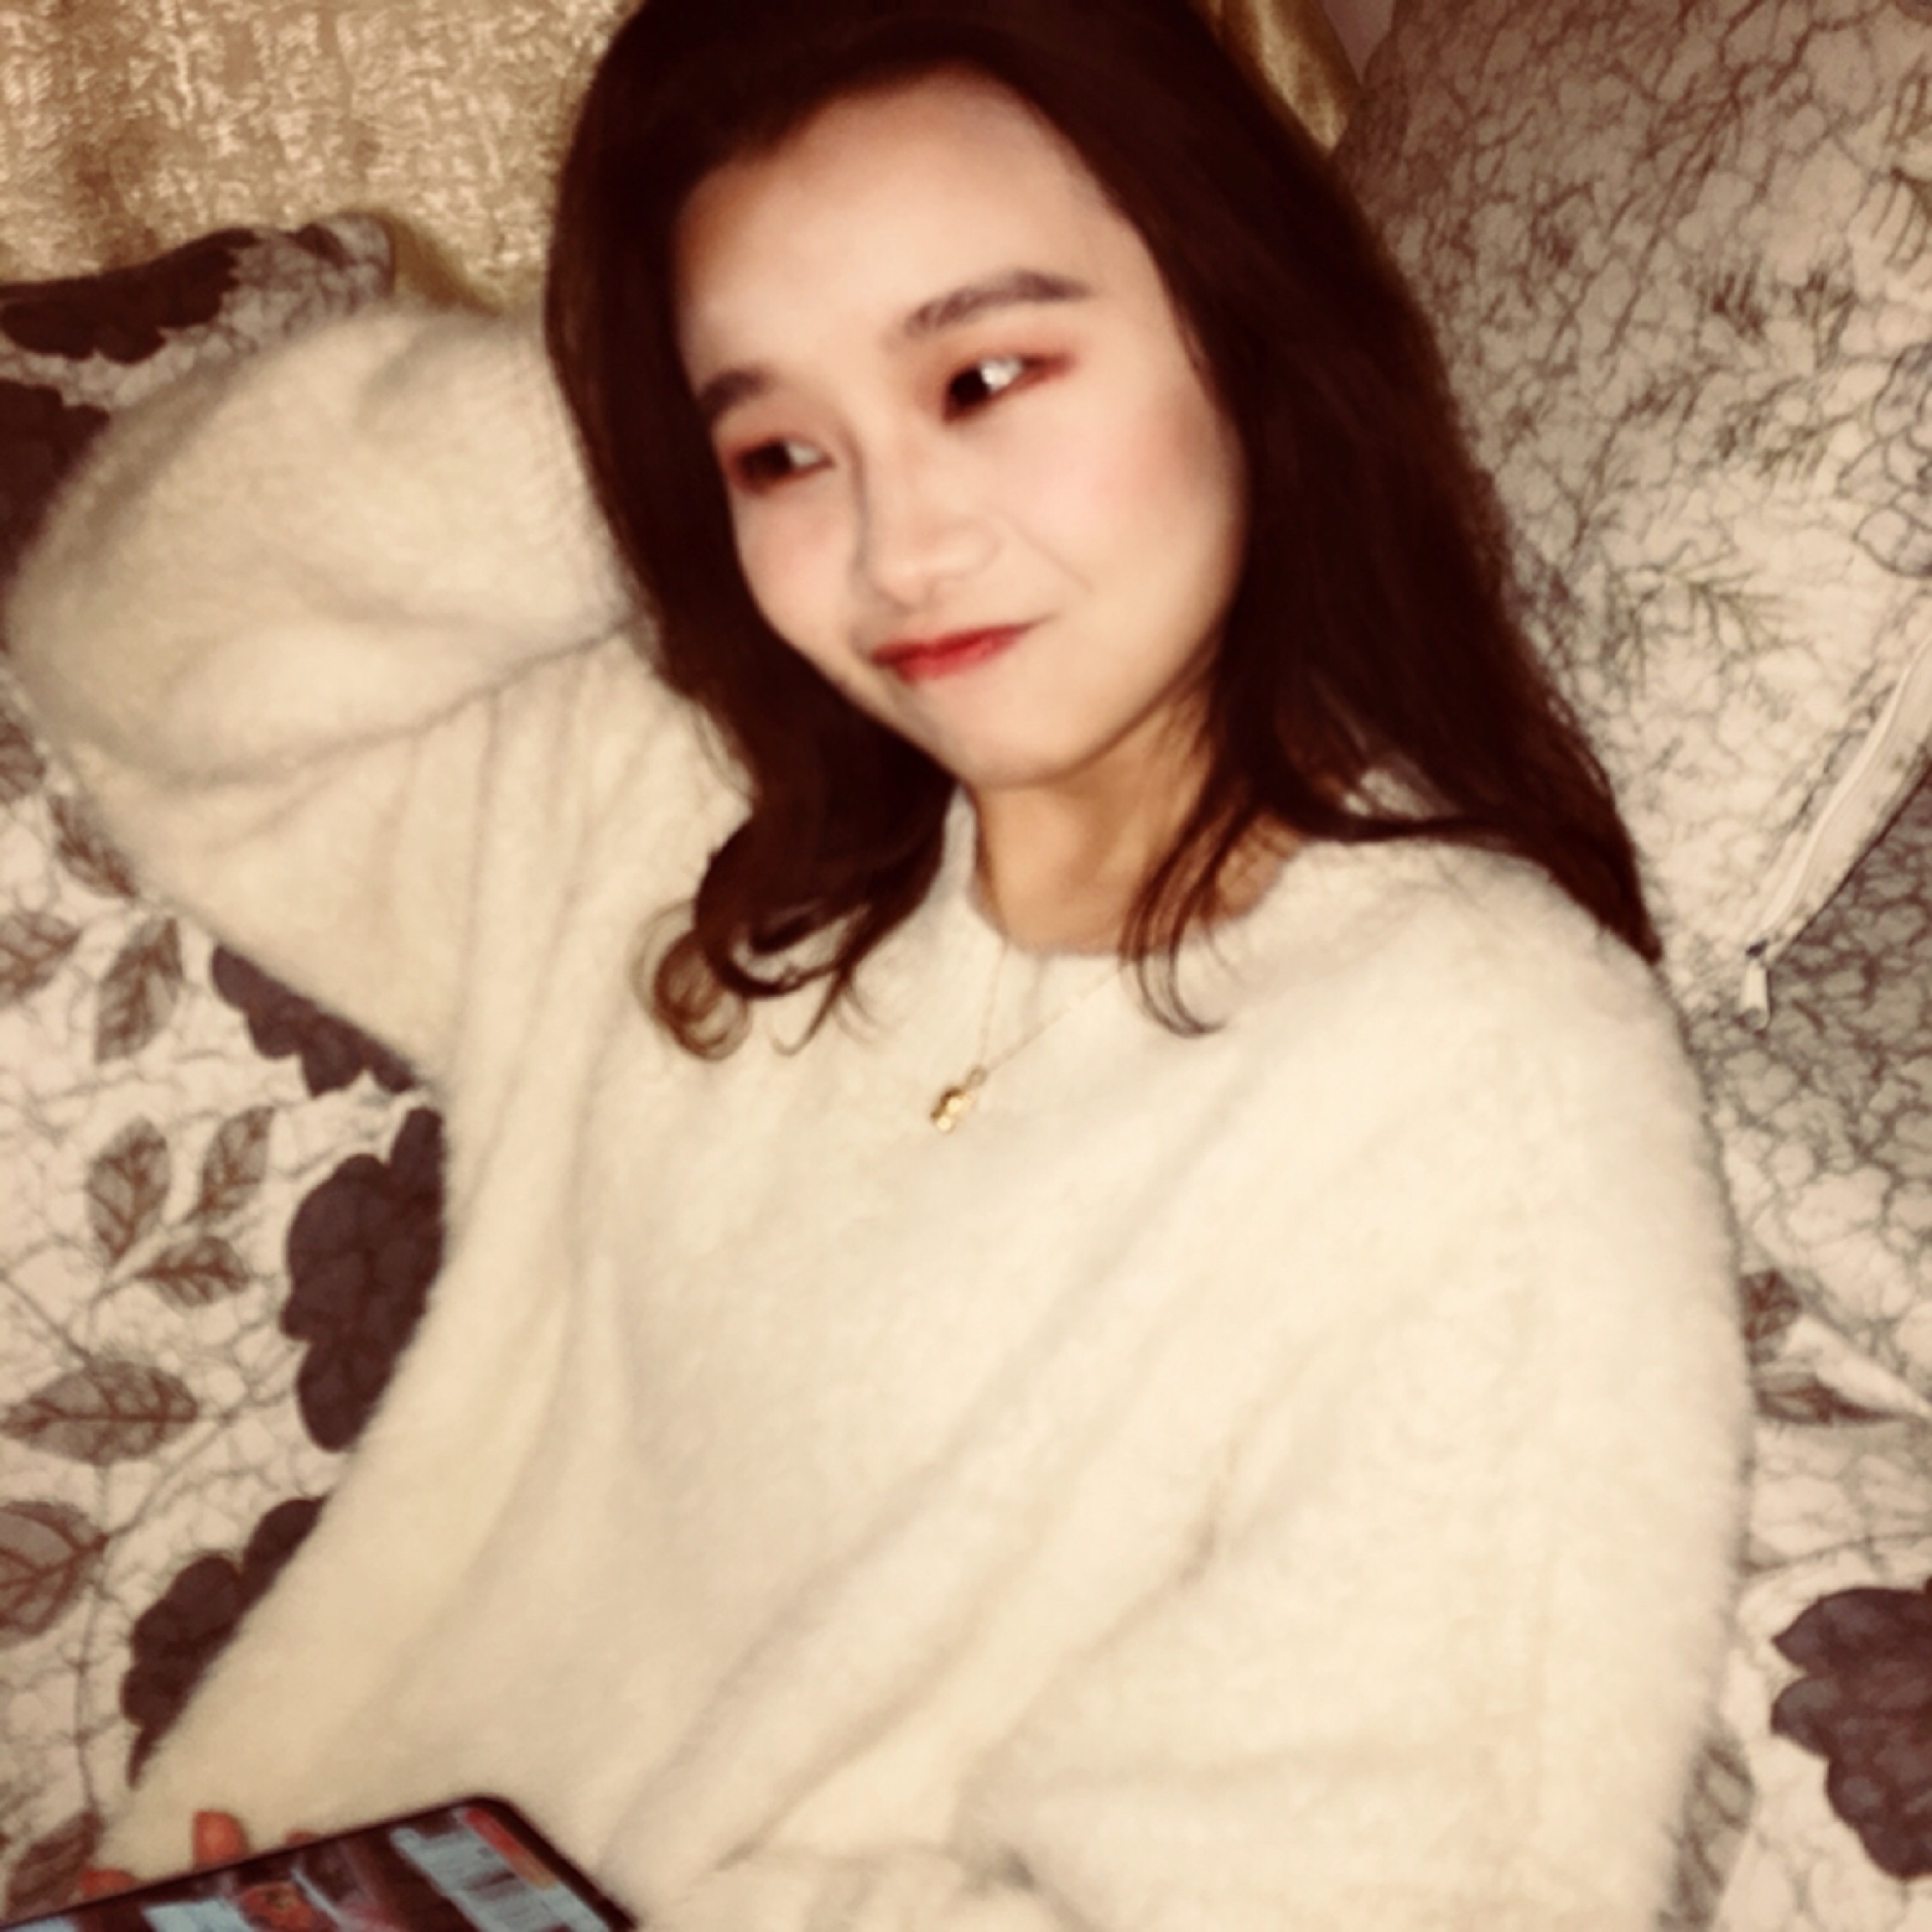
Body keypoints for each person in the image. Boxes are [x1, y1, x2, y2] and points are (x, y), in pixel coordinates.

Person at [7, 0, 1747, 1925]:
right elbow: (133, 651)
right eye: (781, 451)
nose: (898, 549)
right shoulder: (683, 822)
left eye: (985, 377)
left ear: (1242, 328)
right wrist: (633, 420)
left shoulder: (1478, 1071)